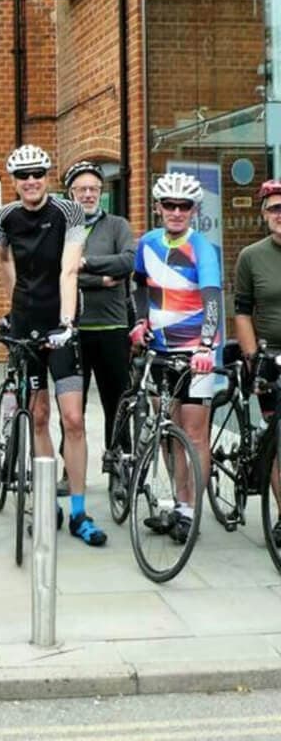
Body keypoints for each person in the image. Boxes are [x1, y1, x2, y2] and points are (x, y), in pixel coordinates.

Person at [0, 144, 106, 547]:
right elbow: (2, 259)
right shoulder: (6, 216)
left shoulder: (68, 212)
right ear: (15, 182)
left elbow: (69, 267)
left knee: (73, 419)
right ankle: (46, 502)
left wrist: (68, 322)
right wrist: (13, 306)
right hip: (26, 325)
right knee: (38, 417)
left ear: (46, 176)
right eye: (23, 177)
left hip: (61, 326)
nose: (31, 182)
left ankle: (78, 510)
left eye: (37, 174)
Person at [130, 171, 221, 543]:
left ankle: (191, 512)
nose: (177, 212)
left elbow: (213, 299)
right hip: (159, 351)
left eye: (184, 206)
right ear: (158, 207)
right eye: (170, 205)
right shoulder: (147, 243)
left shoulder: (202, 247)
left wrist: (205, 346)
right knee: (169, 431)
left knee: (195, 433)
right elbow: (138, 284)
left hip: (195, 352)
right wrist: (138, 320)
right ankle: (179, 502)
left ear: (194, 210)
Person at [65, 161, 136, 487]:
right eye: (82, 190)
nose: (89, 194)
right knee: (72, 411)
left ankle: (118, 468)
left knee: (117, 403)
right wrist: (99, 279)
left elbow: (128, 261)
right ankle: (71, 471)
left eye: (94, 188)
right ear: (71, 194)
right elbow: (58, 274)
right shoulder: (64, 230)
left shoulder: (118, 225)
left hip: (112, 329)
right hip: (74, 331)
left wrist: (84, 265)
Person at [234, 179, 281, 543]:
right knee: (278, 439)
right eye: (275, 208)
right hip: (271, 354)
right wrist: (254, 359)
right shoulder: (251, 256)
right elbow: (243, 311)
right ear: (264, 214)